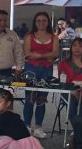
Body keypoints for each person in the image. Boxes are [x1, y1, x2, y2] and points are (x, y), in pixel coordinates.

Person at [20, 11, 60, 139]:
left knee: (42, 99)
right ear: (35, 22)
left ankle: (38, 126)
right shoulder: (29, 36)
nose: (41, 23)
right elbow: (27, 53)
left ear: (48, 22)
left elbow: (56, 54)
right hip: (31, 69)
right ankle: (26, 125)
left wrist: (38, 55)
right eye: (39, 21)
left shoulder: (54, 37)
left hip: (46, 70)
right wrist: (46, 56)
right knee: (29, 98)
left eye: (44, 21)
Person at [57, 37, 82, 124]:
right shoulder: (64, 63)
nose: (77, 48)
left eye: (81, 46)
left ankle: (81, 130)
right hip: (69, 92)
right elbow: (62, 82)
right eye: (74, 45)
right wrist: (74, 92)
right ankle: (77, 130)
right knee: (71, 103)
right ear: (71, 47)